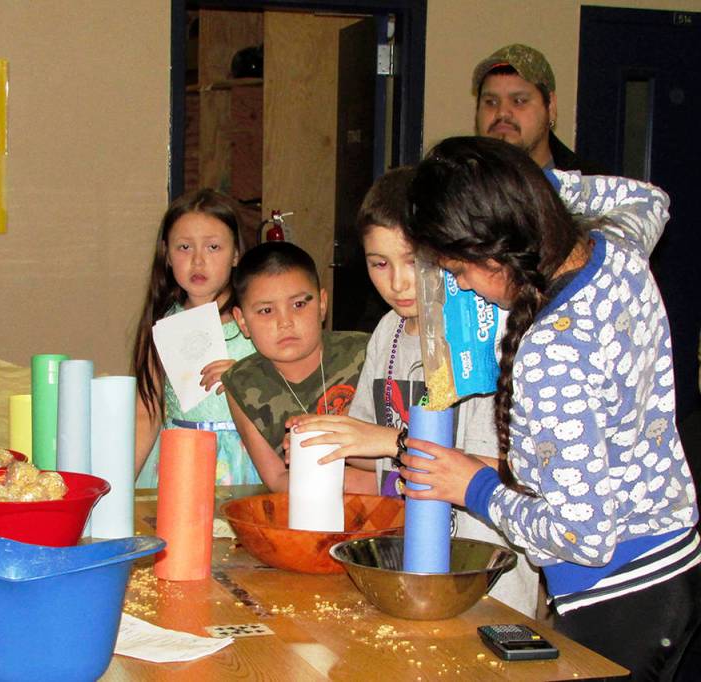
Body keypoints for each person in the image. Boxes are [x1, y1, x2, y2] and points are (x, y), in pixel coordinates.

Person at [398, 136, 700, 679]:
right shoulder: (619, 248)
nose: (461, 287)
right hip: (675, 569)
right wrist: (541, 190)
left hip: (616, 598)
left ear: (496, 249)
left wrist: (474, 487)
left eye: (460, 270)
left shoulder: (551, 350)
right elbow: (649, 197)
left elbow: (580, 538)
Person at [287, 167, 540, 617]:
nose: (398, 283)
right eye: (379, 263)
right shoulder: (388, 333)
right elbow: (371, 447)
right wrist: (330, 442)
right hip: (405, 567)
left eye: (414, 261)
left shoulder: (491, 337)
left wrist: (387, 441)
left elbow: (521, 472)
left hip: (487, 584)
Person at [221, 241, 376, 494]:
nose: (285, 322)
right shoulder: (241, 382)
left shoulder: (366, 352)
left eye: (299, 305)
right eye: (266, 310)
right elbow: (277, 478)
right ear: (242, 321)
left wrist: (383, 484)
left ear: (322, 304)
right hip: (303, 512)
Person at [132, 188, 260, 487]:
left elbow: (292, 388)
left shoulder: (258, 319)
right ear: (166, 253)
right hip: (180, 463)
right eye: (184, 248)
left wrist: (247, 378)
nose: (198, 261)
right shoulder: (162, 326)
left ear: (236, 254)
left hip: (249, 463)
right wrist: (118, 490)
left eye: (213, 247)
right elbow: (145, 414)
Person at [472, 43, 606, 173]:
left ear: (551, 107)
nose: (502, 113)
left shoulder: (588, 189)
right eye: (491, 102)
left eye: (518, 101)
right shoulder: (457, 185)